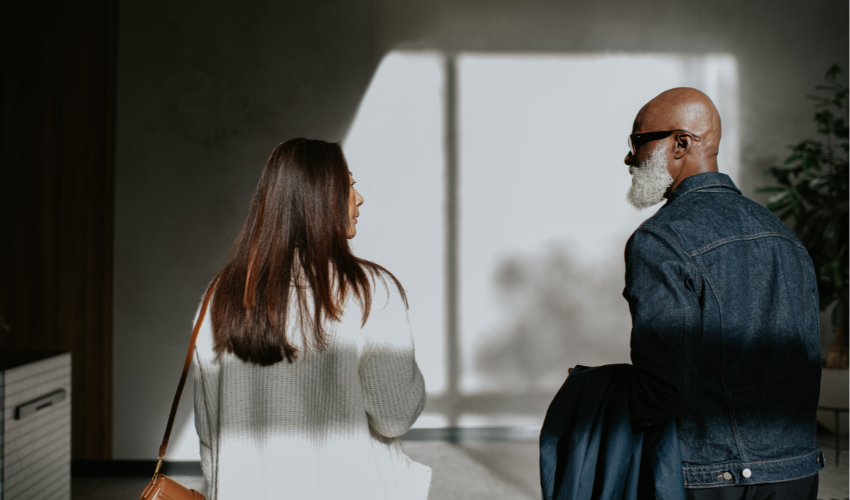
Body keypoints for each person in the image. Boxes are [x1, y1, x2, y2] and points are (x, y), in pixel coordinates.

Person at [192, 138, 430, 500]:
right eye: (348, 185)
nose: (359, 199)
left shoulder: (219, 294)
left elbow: (211, 432)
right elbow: (394, 415)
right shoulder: (369, 290)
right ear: (321, 197)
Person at [621, 88, 823, 499]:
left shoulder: (661, 240)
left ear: (681, 143)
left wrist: (594, 392)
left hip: (714, 478)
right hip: (798, 472)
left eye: (637, 141)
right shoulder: (785, 236)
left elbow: (663, 388)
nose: (629, 158)